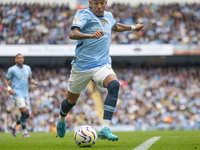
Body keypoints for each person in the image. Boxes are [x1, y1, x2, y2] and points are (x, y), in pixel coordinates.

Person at [57, 0, 144, 141]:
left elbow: (115, 26)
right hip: (82, 67)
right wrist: (90, 36)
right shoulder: (83, 14)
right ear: (90, 2)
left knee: (114, 85)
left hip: (102, 65)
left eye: (102, 3)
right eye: (96, 3)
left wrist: (133, 28)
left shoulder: (108, 16)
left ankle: (105, 128)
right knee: (70, 102)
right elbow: (73, 34)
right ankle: (61, 119)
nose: (99, 6)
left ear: (106, 3)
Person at [4, 53, 38, 137]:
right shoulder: (12, 69)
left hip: (26, 93)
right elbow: (5, 80)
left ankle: (13, 126)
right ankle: (24, 132)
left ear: (23, 59)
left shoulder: (27, 68)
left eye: (21, 58)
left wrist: (33, 82)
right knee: (24, 114)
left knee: (26, 115)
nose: (20, 59)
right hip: (17, 93)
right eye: (18, 58)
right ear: (15, 60)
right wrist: (9, 89)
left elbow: (30, 79)